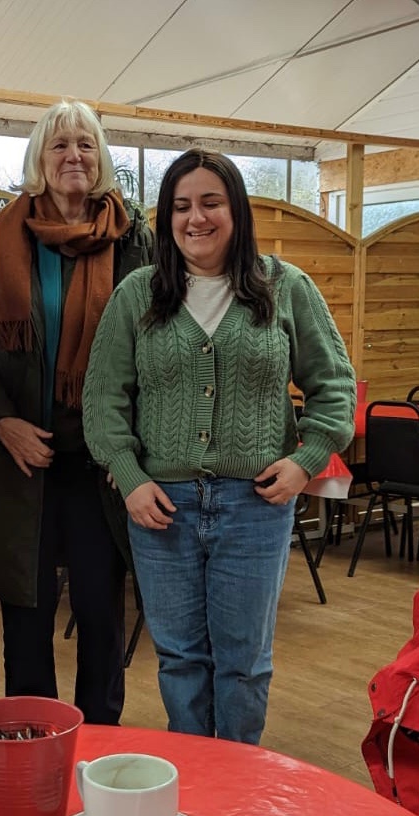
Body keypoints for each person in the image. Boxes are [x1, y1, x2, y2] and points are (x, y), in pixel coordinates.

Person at [83, 148, 355, 743]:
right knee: (179, 659)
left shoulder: (286, 287)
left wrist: (306, 461)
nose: (195, 218)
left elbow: (335, 385)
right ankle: (199, 783)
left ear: (237, 210)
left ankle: (237, 787)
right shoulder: (137, 295)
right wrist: (128, 477)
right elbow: (104, 400)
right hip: (162, 509)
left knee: (244, 663)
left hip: (256, 506)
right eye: (181, 206)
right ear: (166, 216)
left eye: (211, 202)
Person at [0, 100, 153, 724]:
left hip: (101, 466)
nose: (74, 156)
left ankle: (98, 749)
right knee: (27, 622)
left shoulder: (133, 241)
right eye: (60, 144)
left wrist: (131, 450)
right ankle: (31, 746)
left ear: (102, 159)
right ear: (40, 157)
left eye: (86, 145)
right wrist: (2, 421)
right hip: (22, 463)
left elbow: (153, 346)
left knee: (98, 612)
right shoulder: (1, 238)